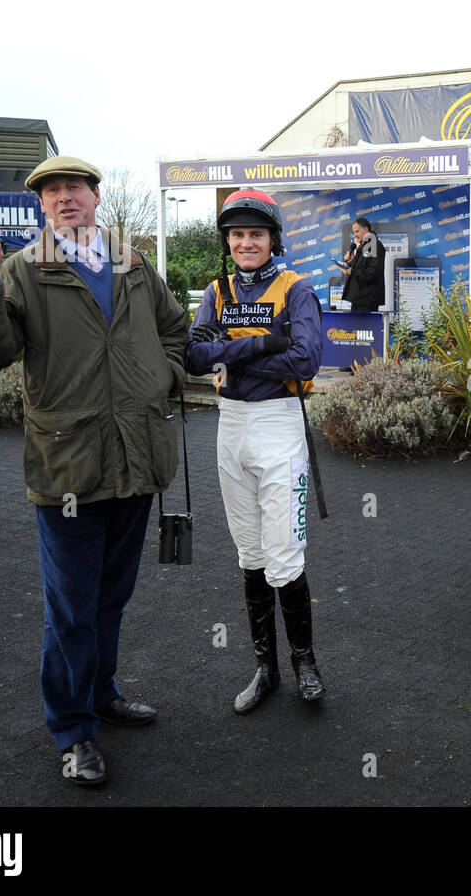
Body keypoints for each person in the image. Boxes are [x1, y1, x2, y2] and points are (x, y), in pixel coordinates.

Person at [0, 156, 188, 786]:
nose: (63, 198)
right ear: (41, 206)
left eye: (73, 188)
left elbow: (175, 328)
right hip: (69, 464)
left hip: (136, 455)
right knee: (70, 608)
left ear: (95, 195)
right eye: (50, 191)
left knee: (111, 597)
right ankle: (75, 732)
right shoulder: (23, 271)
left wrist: (162, 375)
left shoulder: (133, 262)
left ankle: (103, 693)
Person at [186, 190, 327, 710]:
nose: (246, 242)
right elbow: (195, 357)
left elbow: (306, 361)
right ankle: (264, 669)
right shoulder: (215, 289)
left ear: (273, 240)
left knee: (284, 555)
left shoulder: (297, 290)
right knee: (249, 553)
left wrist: (231, 353)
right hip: (231, 426)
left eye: (256, 234)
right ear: (227, 240)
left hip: (280, 424)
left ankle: (305, 663)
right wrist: (262, 344)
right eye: (237, 235)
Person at [340, 216, 385, 312]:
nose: (355, 235)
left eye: (357, 231)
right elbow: (363, 267)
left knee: (364, 327)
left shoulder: (373, 245)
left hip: (367, 300)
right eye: (353, 232)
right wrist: (352, 262)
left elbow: (372, 272)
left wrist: (351, 272)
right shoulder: (364, 245)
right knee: (355, 326)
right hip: (359, 298)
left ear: (366, 229)